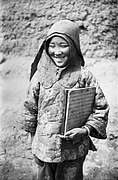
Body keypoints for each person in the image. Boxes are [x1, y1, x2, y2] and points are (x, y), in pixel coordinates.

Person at [23, 20, 110, 180]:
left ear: (74, 46)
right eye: (52, 45)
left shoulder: (85, 76)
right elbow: (30, 108)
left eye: (63, 45)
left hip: (73, 149)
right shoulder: (40, 76)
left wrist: (85, 130)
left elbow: (101, 108)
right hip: (44, 148)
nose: (57, 51)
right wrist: (33, 142)